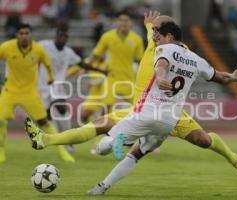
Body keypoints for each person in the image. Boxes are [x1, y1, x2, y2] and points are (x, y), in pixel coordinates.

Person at [24, 11, 237, 182]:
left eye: (158, 30)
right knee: (97, 125)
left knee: (203, 141)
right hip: (141, 107)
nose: (153, 34)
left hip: (172, 112)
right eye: (153, 30)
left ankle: (234, 158)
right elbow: (150, 33)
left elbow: (211, 73)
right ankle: (48, 140)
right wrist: (148, 23)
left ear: (169, 35)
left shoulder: (182, 54)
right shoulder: (154, 40)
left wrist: (232, 77)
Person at [0, 23, 74, 163]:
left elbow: (47, 63)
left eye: (26, 33)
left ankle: (62, 151)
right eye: (21, 33)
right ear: (17, 35)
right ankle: (1, 150)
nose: (24, 36)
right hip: (10, 90)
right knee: (0, 119)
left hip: (30, 92)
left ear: (30, 35)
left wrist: (51, 78)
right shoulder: (6, 47)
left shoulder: (38, 50)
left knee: (43, 121)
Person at [38, 27, 107, 152]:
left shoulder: (68, 52)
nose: (62, 39)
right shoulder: (44, 46)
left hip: (57, 84)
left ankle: (68, 140)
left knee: (61, 107)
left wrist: (100, 71)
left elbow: (82, 64)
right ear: (56, 36)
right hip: (41, 86)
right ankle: (57, 139)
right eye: (60, 36)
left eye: (65, 37)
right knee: (46, 116)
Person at [81, 11, 144, 123]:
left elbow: (140, 60)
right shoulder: (107, 37)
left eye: (126, 20)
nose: (123, 23)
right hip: (112, 77)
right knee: (106, 107)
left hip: (128, 78)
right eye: (121, 20)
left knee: (138, 108)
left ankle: (137, 134)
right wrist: (85, 67)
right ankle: (102, 134)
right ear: (116, 22)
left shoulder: (137, 39)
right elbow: (96, 54)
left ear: (131, 23)